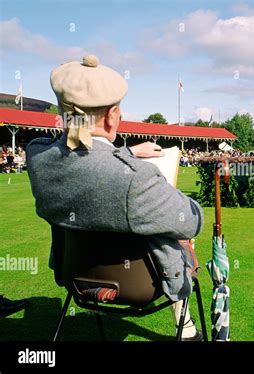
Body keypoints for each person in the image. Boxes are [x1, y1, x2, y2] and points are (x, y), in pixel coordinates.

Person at [26, 55, 204, 341]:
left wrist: (128, 152)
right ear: (111, 116)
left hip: (74, 276)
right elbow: (191, 222)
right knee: (175, 237)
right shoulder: (137, 179)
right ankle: (186, 330)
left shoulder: (38, 158)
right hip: (143, 286)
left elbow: (83, 159)